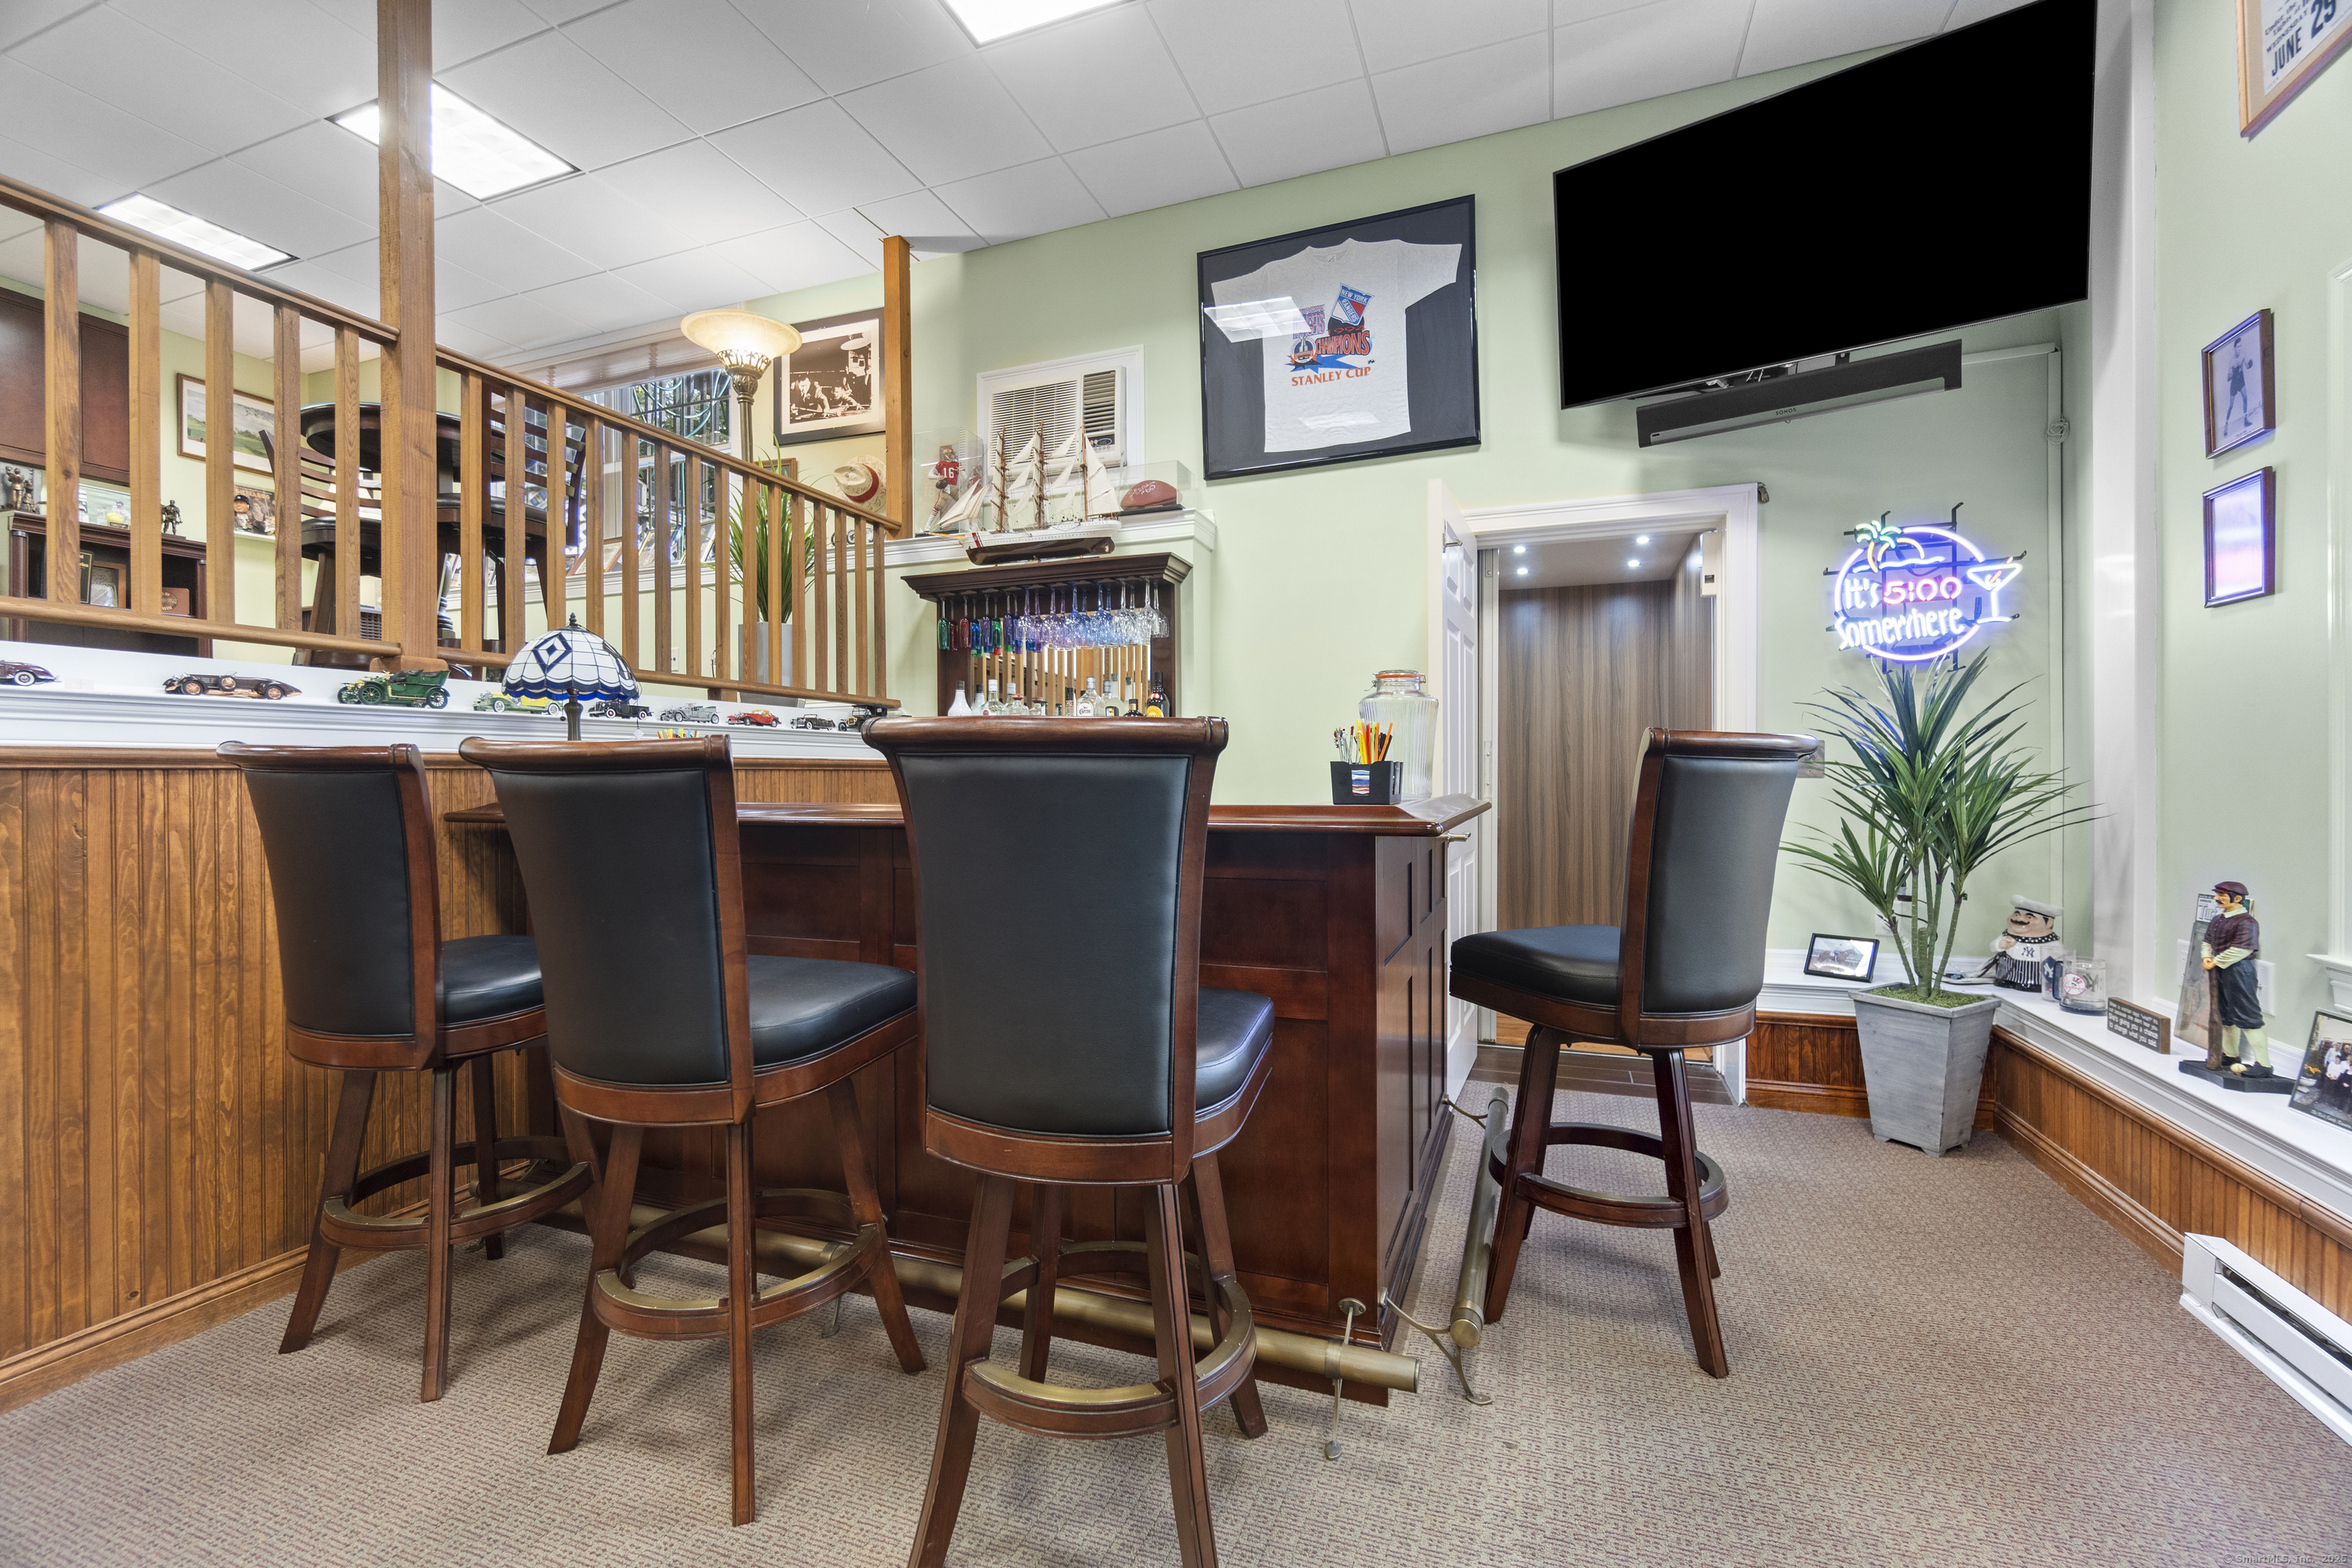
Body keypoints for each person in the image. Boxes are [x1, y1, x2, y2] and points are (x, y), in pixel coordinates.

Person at [2201, 880, 2272, 1077]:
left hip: (2239, 972)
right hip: (2220, 971)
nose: (2217, 898)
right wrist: (2207, 957)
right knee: (2226, 1017)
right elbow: (2207, 941)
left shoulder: (2247, 922)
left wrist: (2215, 961)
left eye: (2222, 895)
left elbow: (2243, 949)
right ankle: (2231, 1056)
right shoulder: (2217, 920)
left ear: (2237, 898)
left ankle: (2264, 1066)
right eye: (2217, 895)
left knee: (2248, 1018)